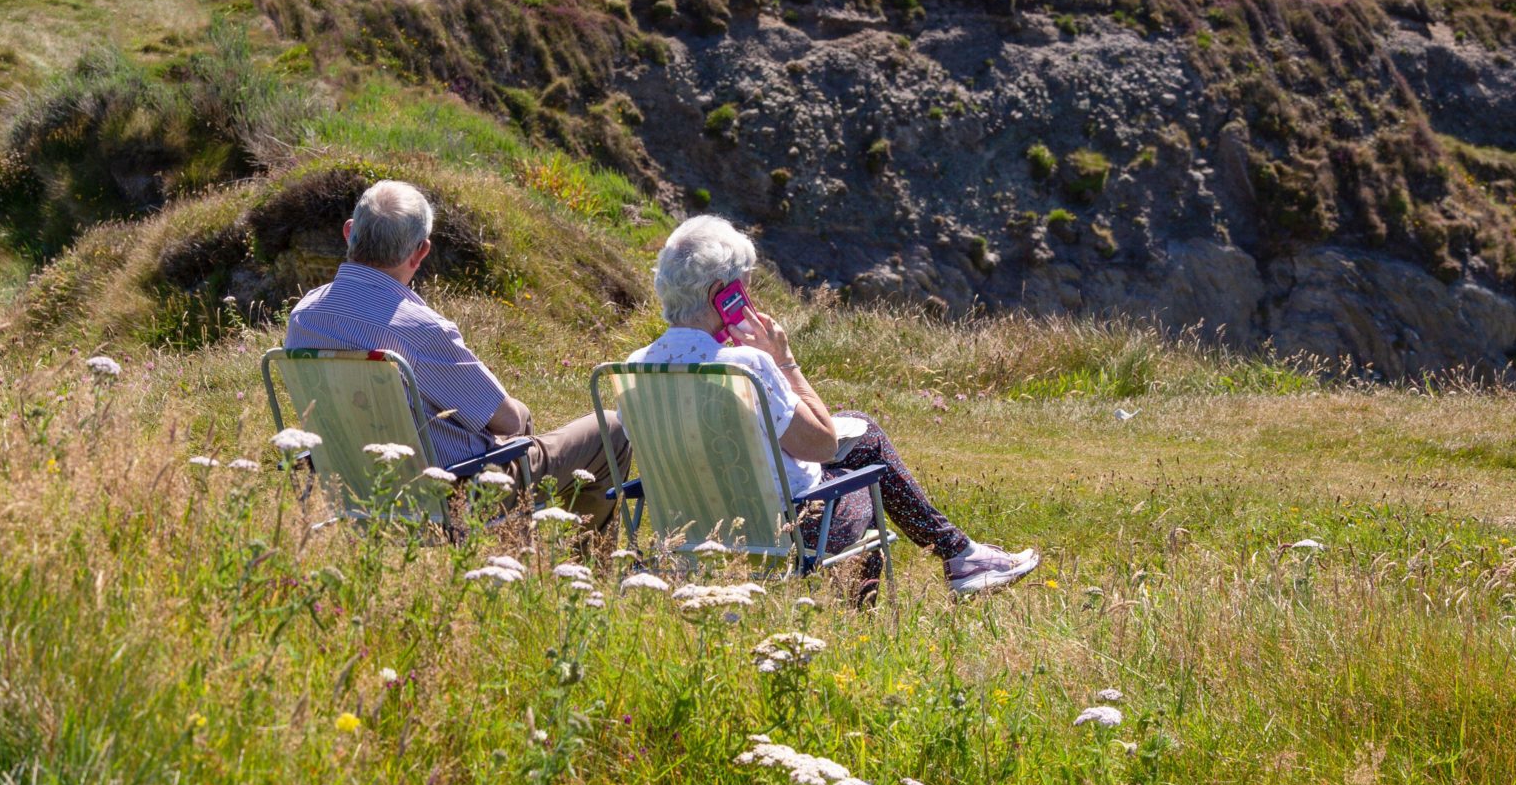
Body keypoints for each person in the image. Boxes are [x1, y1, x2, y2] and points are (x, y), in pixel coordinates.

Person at [629, 215, 1039, 602]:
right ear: (724, 295)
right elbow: (822, 446)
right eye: (745, 290)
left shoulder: (633, 369)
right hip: (786, 529)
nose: (750, 300)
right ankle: (919, 586)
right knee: (866, 477)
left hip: (688, 530)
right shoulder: (745, 368)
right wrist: (783, 360)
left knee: (861, 428)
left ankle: (961, 554)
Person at [284, 180, 626, 525]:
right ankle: (590, 564)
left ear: (349, 232)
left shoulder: (303, 317)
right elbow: (507, 420)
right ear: (420, 252)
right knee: (610, 430)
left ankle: (518, 549)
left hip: (352, 485)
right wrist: (521, 414)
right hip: (451, 492)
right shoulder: (421, 329)